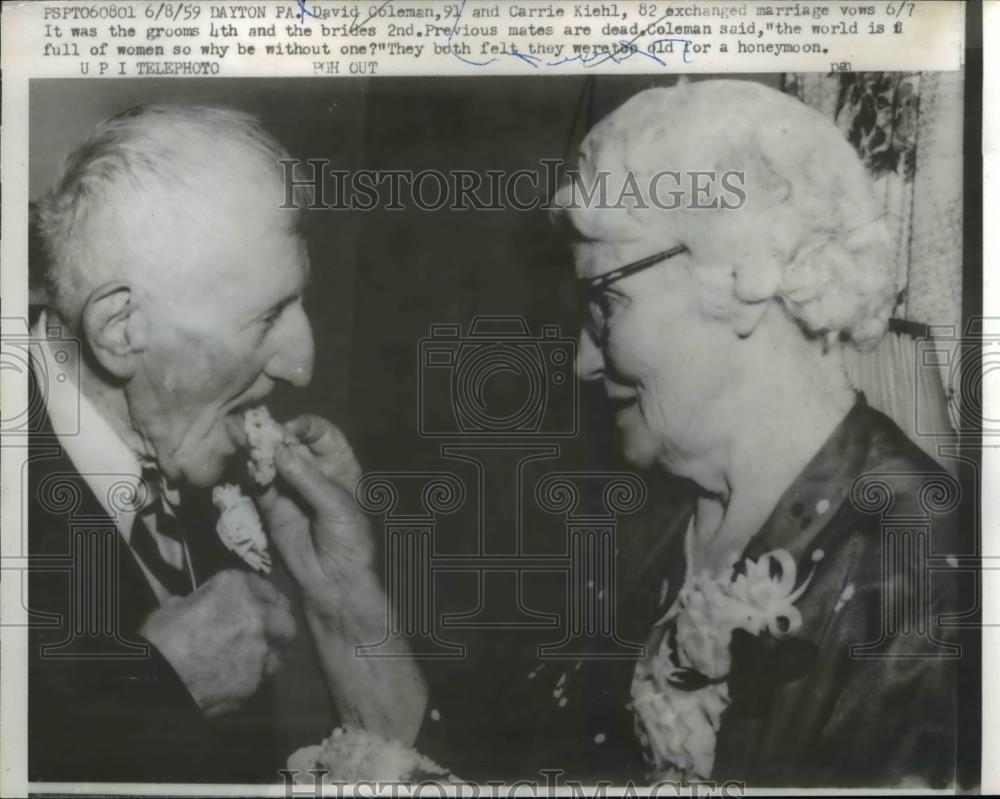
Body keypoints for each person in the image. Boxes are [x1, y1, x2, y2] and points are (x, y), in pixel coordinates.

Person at [533, 80, 963, 787]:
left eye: (605, 301)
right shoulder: (643, 517)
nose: (580, 360)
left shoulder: (922, 568)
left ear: (745, 275)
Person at [27, 105, 426, 782]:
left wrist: (338, 592)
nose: (301, 366)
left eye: (297, 303)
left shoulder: (195, 452)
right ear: (121, 329)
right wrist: (153, 688)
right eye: (266, 315)